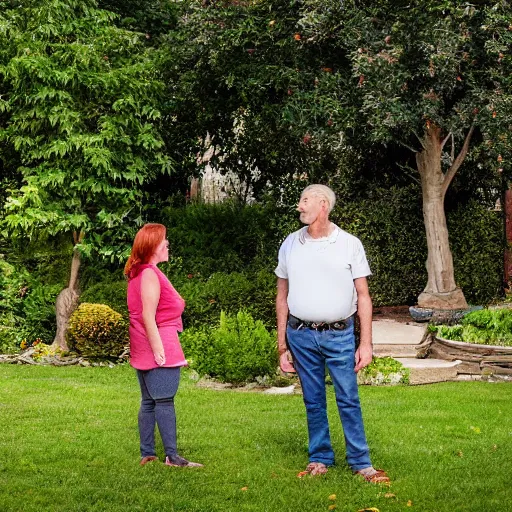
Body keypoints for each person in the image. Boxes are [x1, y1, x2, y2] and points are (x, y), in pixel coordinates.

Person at [275, 184, 389, 483]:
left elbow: (363, 296)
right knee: (313, 400)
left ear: (322, 204)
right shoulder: (290, 243)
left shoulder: (349, 244)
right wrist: (281, 345)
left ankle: (361, 462)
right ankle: (320, 458)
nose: (299, 206)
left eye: (304, 200)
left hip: (339, 335)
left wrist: (365, 343)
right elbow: (281, 295)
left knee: (348, 398)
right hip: (300, 335)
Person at [125, 223, 202, 468]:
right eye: (164, 241)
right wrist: (160, 351)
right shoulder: (148, 273)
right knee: (165, 401)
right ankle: (173, 457)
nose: (167, 243)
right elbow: (148, 315)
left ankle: (148, 453)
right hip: (159, 344)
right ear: (152, 247)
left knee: (149, 401)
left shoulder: (139, 273)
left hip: (142, 345)